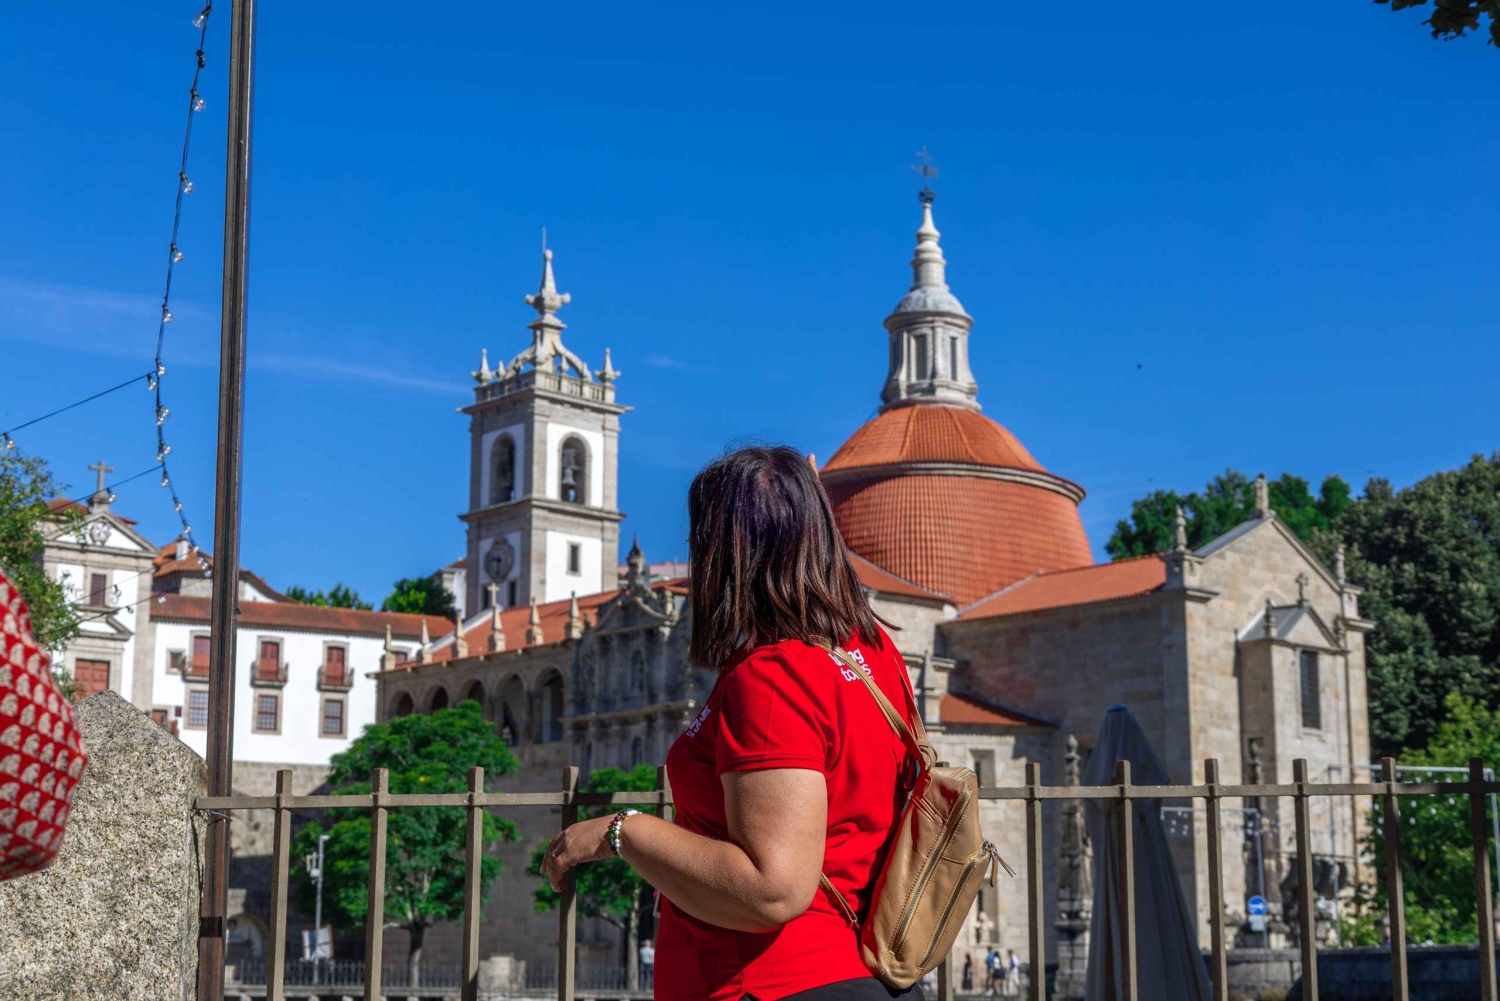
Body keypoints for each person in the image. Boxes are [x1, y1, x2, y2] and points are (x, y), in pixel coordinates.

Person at [542, 445, 923, 1001]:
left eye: (701, 544)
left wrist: (621, 831)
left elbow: (771, 890)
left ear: (733, 553)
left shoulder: (773, 677)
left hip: (773, 983)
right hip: (862, 968)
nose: (696, 561)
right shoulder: (871, 651)